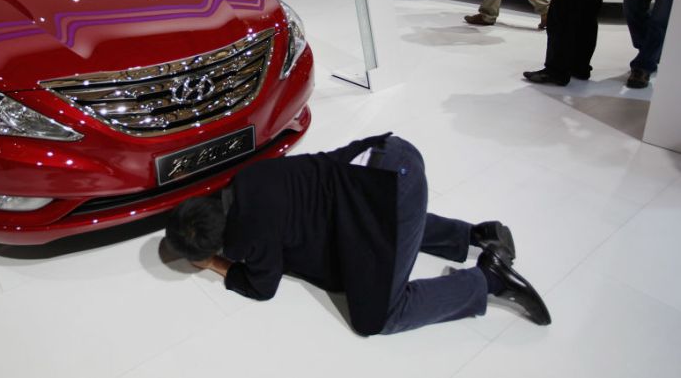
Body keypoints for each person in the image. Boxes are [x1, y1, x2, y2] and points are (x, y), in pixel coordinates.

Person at [164, 133, 551, 336]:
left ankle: (489, 279)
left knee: (377, 319)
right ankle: (476, 235)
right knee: (370, 214)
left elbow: (263, 286)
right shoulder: (247, 177)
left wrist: (214, 262)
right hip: (390, 154)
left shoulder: (247, 235)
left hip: (391, 193)